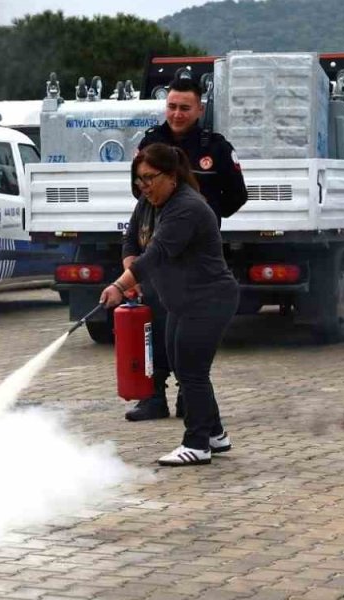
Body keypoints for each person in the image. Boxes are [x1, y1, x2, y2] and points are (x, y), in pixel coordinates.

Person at [101, 144, 239, 466]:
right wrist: (129, 270)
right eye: (139, 180)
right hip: (181, 302)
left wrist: (120, 286)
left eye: (149, 178)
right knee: (184, 365)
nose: (144, 186)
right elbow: (132, 239)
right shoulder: (148, 204)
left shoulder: (186, 207)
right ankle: (215, 434)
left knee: (192, 370)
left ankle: (197, 444)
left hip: (209, 300)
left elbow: (158, 252)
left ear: (172, 175)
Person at [123, 74, 247, 422]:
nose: (177, 114)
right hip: (158, 253)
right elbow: (138, 191)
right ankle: (154, 396)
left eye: (184, 108)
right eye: (172, 106)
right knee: (158, 327)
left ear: (199, 109)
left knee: (186, 337)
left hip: (194, 260)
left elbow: (238, 194)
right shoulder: (152, 142)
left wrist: (202, 217)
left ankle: (189, 400)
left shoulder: (215, 146)